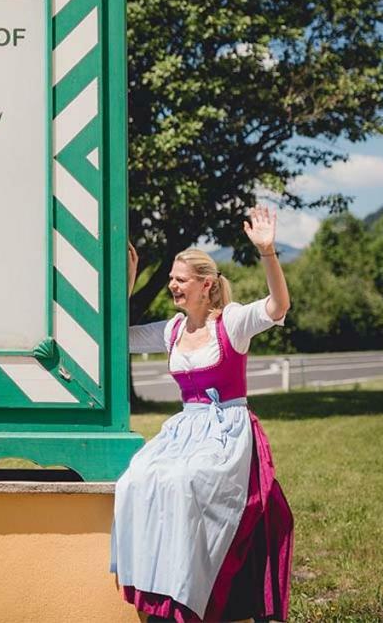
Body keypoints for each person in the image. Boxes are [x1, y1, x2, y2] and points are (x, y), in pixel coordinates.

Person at [112, 206, 294, 622]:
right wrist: (125, 285)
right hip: (185, 429)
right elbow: (117, 337)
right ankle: (160, 586)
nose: (172, 286)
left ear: (205, 284)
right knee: (136, 480)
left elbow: (278, 305)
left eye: (179, 279)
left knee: (185, 481)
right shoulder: (172, 329)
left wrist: (267, 252)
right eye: (173, 279)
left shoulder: (231, 323)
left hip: (227, 429)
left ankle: (195, 588)